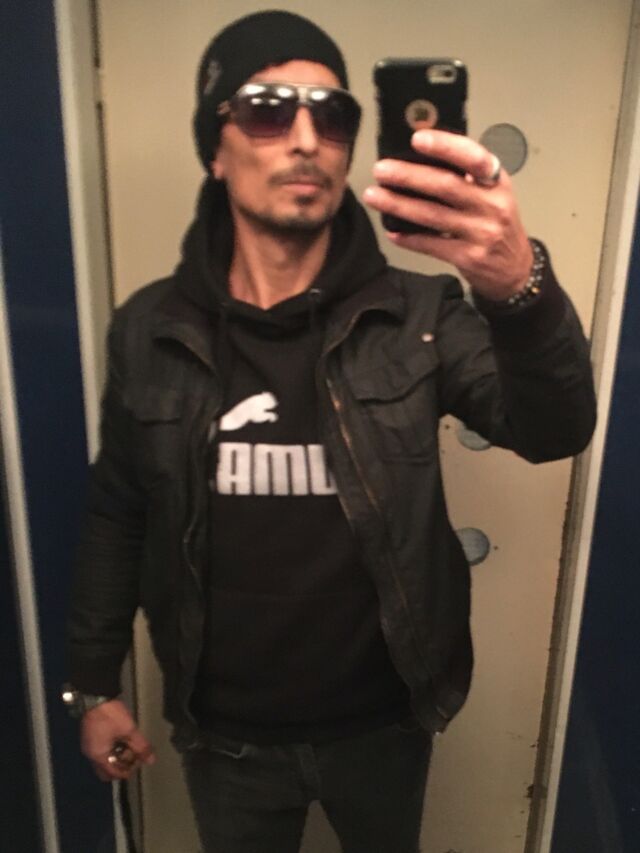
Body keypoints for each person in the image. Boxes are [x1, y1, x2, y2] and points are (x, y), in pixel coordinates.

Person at [64, 10, 596, 853]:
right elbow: (118, 513)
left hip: (383, 725)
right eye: (268, 111)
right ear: (215, 148)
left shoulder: (420, 314)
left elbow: (553, 428)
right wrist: (94, 685)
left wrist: (518, 289)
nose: (306, 138)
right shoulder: (150, 329)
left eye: (333, 115)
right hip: (226, 737)